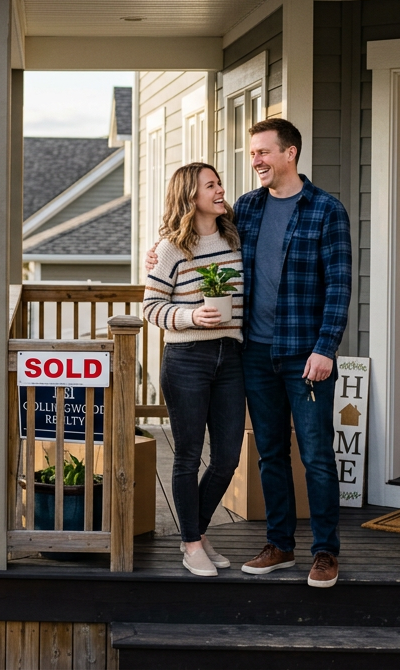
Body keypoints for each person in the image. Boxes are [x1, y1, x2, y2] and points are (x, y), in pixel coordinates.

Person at [147, 118, 351, 588]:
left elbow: (339, 287)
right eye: (252, 153)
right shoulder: (247, 209)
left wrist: (326, 349)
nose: (255, 161)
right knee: (270, 455)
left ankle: (325, 551)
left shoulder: (326, 210)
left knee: (317, 456)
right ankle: (279, 544)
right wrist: (153, 256)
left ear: (290, 153)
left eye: (263, 152)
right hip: (254, 355)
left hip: (306, 356)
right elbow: (190, 239)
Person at [141, 162, 246, 578]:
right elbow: (151, 307)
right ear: (190, 196)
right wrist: (188, 317)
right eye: (211, 185)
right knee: (187, 456)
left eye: (220, 182)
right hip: (187, 359)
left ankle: (196, 534)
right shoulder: (170, 248)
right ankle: (191, 544)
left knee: (226, 458)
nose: (220, 190)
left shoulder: (234, 237)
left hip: (232, 357)